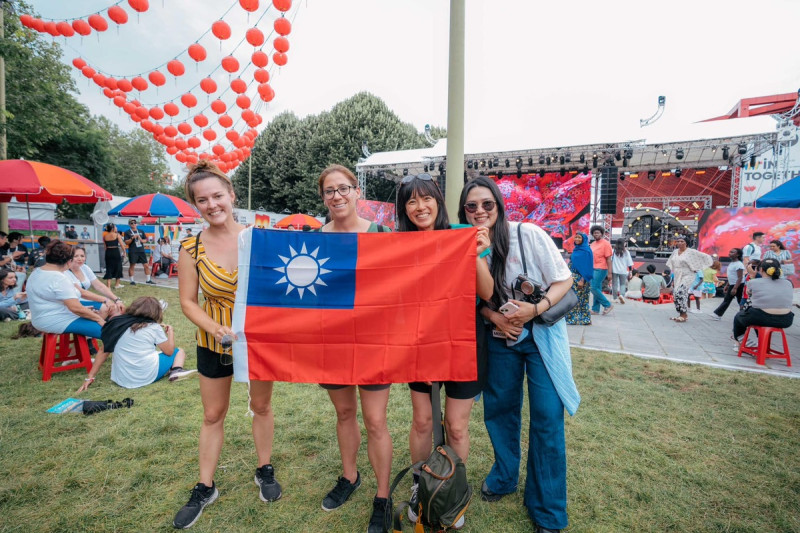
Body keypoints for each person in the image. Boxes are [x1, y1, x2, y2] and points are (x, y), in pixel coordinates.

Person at [461, 176, 579, 533]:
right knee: (499, 411)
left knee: (546, 417)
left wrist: (535, 308)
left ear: (499, 205)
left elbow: (565, 280)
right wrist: (494, 315)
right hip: (500, 337)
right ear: (464, 212)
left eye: (487, 204)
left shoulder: (528, 234)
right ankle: (504, 476)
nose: (480, 211)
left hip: (540, 335)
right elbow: (469, 298)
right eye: (471, 206)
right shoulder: (463, 244)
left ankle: (547, 510)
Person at [173, 161, 281, 530]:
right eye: (202, 200)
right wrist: (216, 329)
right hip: (213, 341)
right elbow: (187, 301)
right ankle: (205, 486)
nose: (212, 204)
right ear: (195, 205)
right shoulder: (191, 247)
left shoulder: (260, 238)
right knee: (212, 414)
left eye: (218, 195)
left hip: (257, 340)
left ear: (232, 196)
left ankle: (264, 469)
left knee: (261, 405)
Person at [396, 173, 493, 529]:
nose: (420, 207)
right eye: (411, 201)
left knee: (455, 426)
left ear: (437, 200)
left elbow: (486, 292)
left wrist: (477, 252)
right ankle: (422, 485)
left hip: (464, 341)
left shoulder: (460, 233)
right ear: (404, 209)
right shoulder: (398, 243)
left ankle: (450, 489)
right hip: (419, 343)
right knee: (422, 420)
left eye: (425, 199)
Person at [314, 164, 393, 533]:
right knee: (344, 415)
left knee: (376, 420)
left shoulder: (381, 233)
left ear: (357, 192)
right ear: (323, 197)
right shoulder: (316, 238)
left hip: (374, 342)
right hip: (333, 341)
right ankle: (350, 476)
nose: (337, 196)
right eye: (329, 191)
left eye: (343, 188)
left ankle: (382, 496)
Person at [77, 296, 194, 391]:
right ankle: (176, 371)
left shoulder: (117, 324)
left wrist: (90, 377)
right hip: (145, 376)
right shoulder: (154, 327)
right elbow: (169, 351)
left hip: (122, 379)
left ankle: (170, 369)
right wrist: (171, 333)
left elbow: (103, 351)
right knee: (179, 352)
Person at [25, 240, 107, 356]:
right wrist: (98, 319)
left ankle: (74, 354)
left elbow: (57, 301)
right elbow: (75, 308)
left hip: (42, 318)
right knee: (109, 331)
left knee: (95, 317)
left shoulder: (37, 272)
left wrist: (84, 311)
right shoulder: (59, 278)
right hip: (55, 320)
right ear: (69, 262)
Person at [732, 257, 794, 349]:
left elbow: (749, 296)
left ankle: (741, 341)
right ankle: (763, 345)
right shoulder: (788, 283)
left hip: (762, 317)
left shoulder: (755, 282)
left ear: (760, 269)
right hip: (786, 320)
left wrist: (752, 276)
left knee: (739, 317)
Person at [65, 246, 124, 318]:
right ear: (69, 258)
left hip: (86, 300)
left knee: (118, 309)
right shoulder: (65, 272)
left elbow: (99, 286)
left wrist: (117, 299)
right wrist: (106, 300)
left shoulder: (84, 267)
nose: (80, 259)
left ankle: (109, 328)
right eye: (76, 256)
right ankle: (97, 327)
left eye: (82, 256)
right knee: (105, 308)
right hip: (74, 302)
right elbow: (82, 293)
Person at [665, 236, 712, 322]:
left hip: (688, 274)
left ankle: (684, 314)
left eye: (682, 241)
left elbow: (706, 257)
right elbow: (671, 262)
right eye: (678, 241)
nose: (679, 243)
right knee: (675, 294)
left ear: (686, 242)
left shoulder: (691, 252)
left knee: (681, 292)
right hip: (678, 274)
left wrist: (697, 267)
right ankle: (681, 313)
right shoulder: (675, 252)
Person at [565, 232, 593, 325]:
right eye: (575, 237)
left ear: (583, 239)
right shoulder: (576, 249)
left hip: (581, 278)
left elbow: (587, 266)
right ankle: (578, 318)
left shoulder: (586, 251)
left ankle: (580, 319)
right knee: (574, 299)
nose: (576, 239)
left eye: (579, 237)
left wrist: (582, 280)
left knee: (580, 299)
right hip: (573, 277)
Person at [710, 248, 745, 321]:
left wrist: (735, 288)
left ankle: (717, 314)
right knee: (736, 300)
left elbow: (740, 277)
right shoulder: (732, 263)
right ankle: (744, 314)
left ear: (738, 254)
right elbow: (732, 276)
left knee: (728, 300)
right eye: (730, 252)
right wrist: (727, 285)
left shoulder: (739, 264)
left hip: (738, 285)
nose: (730, 253)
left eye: (732, 252)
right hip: (733, 284)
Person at [589, 225, 613, 315]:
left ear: (602, 234)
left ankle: (607, 305)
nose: (596, 234)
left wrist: (610, 273)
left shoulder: (606, 244)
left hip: (601, 268)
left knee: (593, 287)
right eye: (594, 233)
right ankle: (595, 309)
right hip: (593, 268)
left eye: (598, 232)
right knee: (597, 288)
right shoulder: (592, 244)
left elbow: (609, 259)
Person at [124, 220, 155, 285]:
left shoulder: (141, 231)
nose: (133, 224)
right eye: (131, 223)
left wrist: (140, 239)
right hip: (133, 251)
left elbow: (145, 240)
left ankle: (148, 280)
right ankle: (132, 280)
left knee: (146, 265)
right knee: (132, 265)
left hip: (141, 250)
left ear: (136, 224)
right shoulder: (127, 232)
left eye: (135, 223)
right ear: (129, 224)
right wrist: (132, 238)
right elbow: (126, 242)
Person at [102, 223, 126, 290]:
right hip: (115, 251)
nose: (116, 228)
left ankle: (108, 286)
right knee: (118, 266)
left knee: (109, 268)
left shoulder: (105, 236)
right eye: (115, 227)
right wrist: (124, 252)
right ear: (112, 228)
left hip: (108, 252)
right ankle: (117, 284)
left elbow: (105, 247)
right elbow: (122, 244)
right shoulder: (117, 235)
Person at [610, 238, 633, 304]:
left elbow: (610, 260)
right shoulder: (626, 252)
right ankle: (622, 295)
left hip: (614, 270)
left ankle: (615, 298)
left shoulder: (613, 251)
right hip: (623, 271)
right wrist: (630, 271)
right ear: (623, 243)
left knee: (614, 284)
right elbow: (630, 263)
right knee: (622, 284)